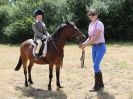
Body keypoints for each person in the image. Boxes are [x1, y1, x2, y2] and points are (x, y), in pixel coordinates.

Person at [79, 9, 106, 91]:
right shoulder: (90, 25)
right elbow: (90, 37)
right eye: (90, 15)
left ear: (97, 15)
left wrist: (86, 44)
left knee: (95, 66)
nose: (92, 16)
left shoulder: (99, 24)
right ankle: (101, 84)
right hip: (94, 47)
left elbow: (96, 37)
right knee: (96, 66)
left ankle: (96, 86)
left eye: (93, 14)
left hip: (101, 47)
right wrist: (84, 44)